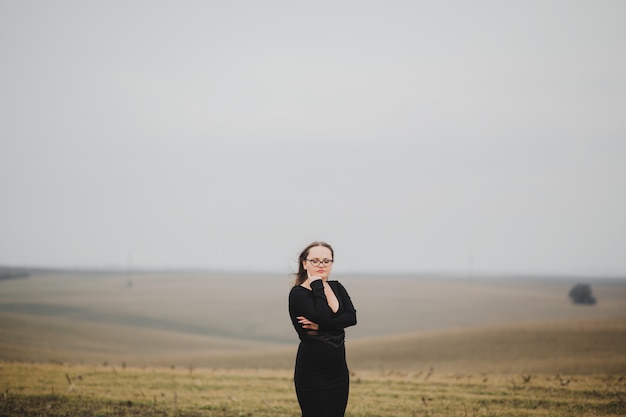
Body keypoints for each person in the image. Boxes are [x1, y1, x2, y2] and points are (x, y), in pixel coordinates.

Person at [288, 241, 357, 417]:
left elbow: (352, 318)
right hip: (312, 372)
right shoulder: (298, 294)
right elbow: (324, 315)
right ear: (304, 263)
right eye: (315, 260)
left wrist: (323, 326)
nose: (321, 265)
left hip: (338, 371)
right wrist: (317, 285)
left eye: (327, 261)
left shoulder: (337, 287)